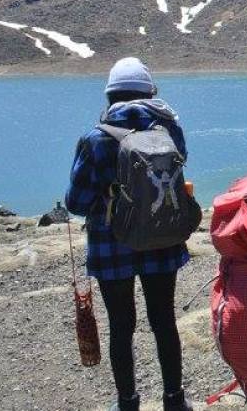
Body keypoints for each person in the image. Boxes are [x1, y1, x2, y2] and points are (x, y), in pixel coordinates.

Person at [65, 57, 193, 411]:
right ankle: (175, 399)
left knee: (122, 325)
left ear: (110, 96)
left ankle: (127, 402)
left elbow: (76, 201)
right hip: (162, 238)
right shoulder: (169, 130)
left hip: (112, 244)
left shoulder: (94, 138)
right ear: (150, 93)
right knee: (164, 321)